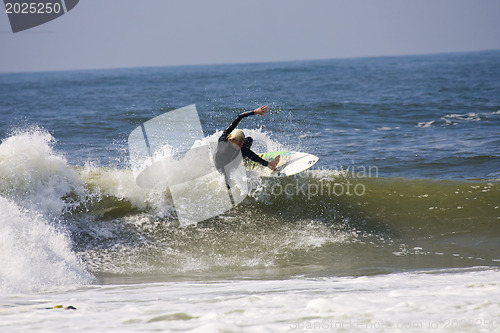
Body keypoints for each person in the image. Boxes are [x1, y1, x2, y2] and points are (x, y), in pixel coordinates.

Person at [215, 105, 280, 178]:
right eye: (239, 144)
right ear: (231, 140)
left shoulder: (227, 135)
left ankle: (245, 160)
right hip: (224, 166)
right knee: (244, 150)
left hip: (233, 155)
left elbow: (239, 117)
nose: (241, 145)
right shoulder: (223, 150)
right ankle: (270, 165)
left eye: (241, 143)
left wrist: (254, 112)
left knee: (249, 140)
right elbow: (223, 171)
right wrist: (229, 186)